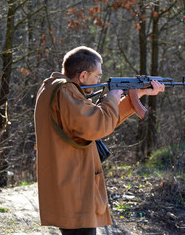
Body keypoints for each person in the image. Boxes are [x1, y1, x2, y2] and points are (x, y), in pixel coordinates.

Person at [34, 46, 164, 235]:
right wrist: (111, 96)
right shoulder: (66, 92)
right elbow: (96, 125)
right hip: (74, 189)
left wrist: (137, 95)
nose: (99, 81)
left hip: (71, 184)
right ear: (83, 75)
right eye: (97, 76)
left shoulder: (57, 88)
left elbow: (100, 121)